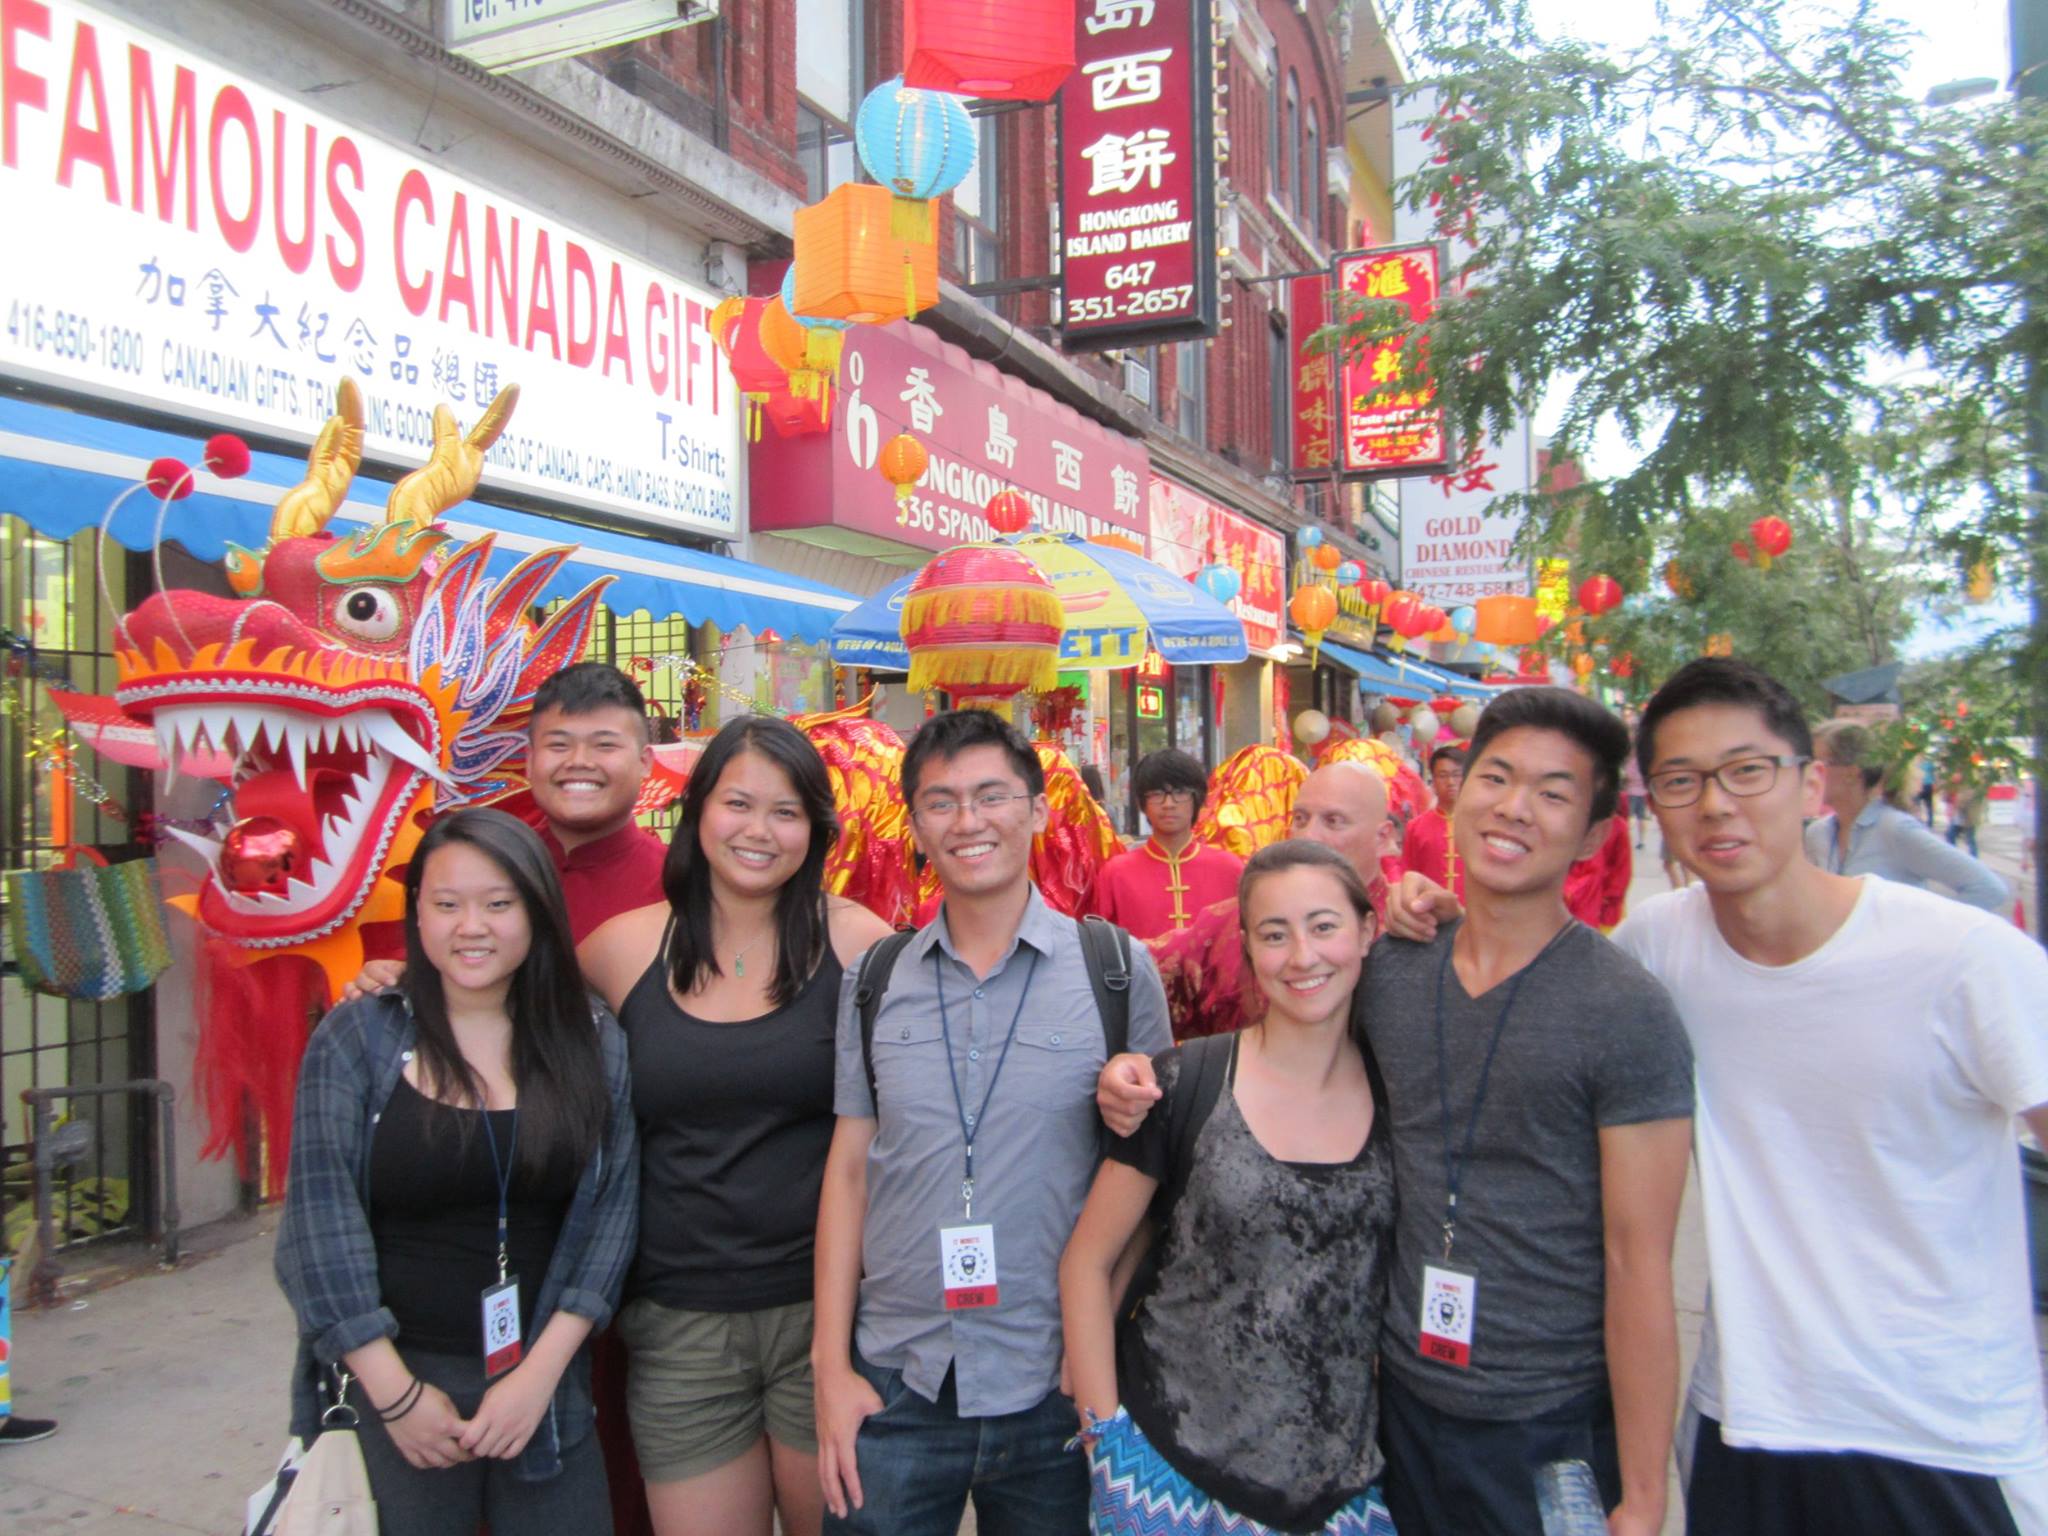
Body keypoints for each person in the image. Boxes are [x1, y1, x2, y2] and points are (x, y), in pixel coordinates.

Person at [1393, 659, 2048, 1535]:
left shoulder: (1961, 958)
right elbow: (1537, 966)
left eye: (1748, 771)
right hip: (1743, 1420)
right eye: (1681, 781)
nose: (1716, 804)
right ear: (1651, 806)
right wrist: (1434, 906)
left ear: (1812, 782)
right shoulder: (1662, 948)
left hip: (1939, 1438)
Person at [1113, 687, 1695, 1536]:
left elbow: (1641, 1264)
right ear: (1457, 793)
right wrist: (1135, 1068)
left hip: (1544, 1423)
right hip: (1393, 1416)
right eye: (1497, 777)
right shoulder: (1390, 970)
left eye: (1555, 793)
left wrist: (1643, 1497)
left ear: (1599, 834)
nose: (1515, 808)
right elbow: (1264, 1035)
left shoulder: (1625, 1012)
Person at [811, 708, 1173, 1535]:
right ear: (916, 825)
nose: (968, 822)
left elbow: (1148, 1184)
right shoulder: (876, 978)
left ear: (1040, 810)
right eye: (941, 802)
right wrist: (830, 1368)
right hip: (898, 1379)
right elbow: (849, 1170)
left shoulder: (1115, 971)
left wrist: (1099, 1350)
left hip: (1056, 1384)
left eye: (992, 796)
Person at [344, 659, 665, 1536]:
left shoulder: (685, 886)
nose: (579, 762)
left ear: (646, 759)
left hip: (619, 1228)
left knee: (612, 1466)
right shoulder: (472, 851)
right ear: (527, 756)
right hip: (461, 1248)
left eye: (605, 743)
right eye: (556, 743)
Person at [275, 808, 638, 1536]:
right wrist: (399, 1398)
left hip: (543, 1386)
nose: (471, 926)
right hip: (389, 1387)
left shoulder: (589, 1038)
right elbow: (320, 1226)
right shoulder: (359, 1038)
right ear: (418, 914)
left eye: (498, 904)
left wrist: (536, 1379)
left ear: (536, 910)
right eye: (447, 905)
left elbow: (611, 1214)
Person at [579, 718, 893, 1536]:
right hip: (678, 1326)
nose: (759, 831)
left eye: (786, 812)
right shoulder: (621, 950)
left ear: (817, 831)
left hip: (826, 1322)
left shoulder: (860, 944)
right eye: (738, 804)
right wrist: (398, 976)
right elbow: (506, 1015)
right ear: (696, 813)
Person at [1061, 840, 1398, 1536]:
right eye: (1275, 935)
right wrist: (1106, 1444)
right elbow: (1087, 1263)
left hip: (1341, 1490)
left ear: (1368, 931)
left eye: (1324, 925)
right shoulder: (1187, 1082)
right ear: (1248, 948)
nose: (1303, 956)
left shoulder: (1403, 1091)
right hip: (1169, 1477)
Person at [1150, 758, 1396, 1040]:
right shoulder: (1232, 923)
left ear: (1382, 837)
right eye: (1300, 819)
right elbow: (1139, 978)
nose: (1308, 836)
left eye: (1333, 821)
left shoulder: (1410, 924)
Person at [1806, 719, 2008, 912]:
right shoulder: (1818, 833)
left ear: (1852, 773)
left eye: (1817, 765)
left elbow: (1988, 888)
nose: (1806, 774)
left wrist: (1927, 937)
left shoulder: (1894, 829)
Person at [1086, 748, 1244, 940]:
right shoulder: (1115, 873)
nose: (1168, 803)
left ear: (1198, 799)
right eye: (1157, 794)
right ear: (1141, 802)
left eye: (1179, 793)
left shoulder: (1230, 869)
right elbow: (1101, 947)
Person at [1401, 745, 1468, 903]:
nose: (1451, 782)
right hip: (1431, 916)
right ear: (1433, 781)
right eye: (1443, 775)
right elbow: (1409, 874)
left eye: (1456, 775)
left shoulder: (1479, 825)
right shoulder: (1416, 827)